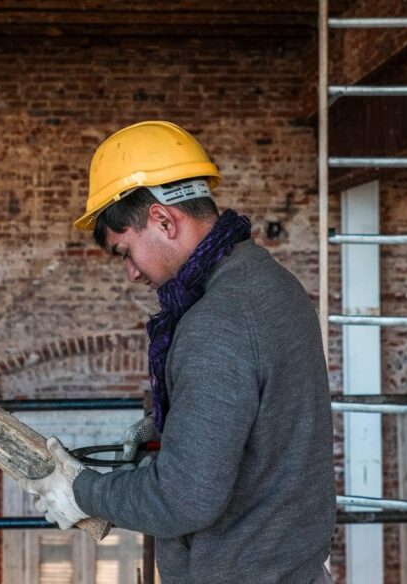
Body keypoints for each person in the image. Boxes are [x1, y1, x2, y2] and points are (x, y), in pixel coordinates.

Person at [21, 121, 336, 584]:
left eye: (125, 251)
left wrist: (81, 492)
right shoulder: (270, 283)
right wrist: (172, 424)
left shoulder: (217, 322)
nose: (131, 273)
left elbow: (183, 499)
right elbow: (257, 412)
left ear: (164, 221)